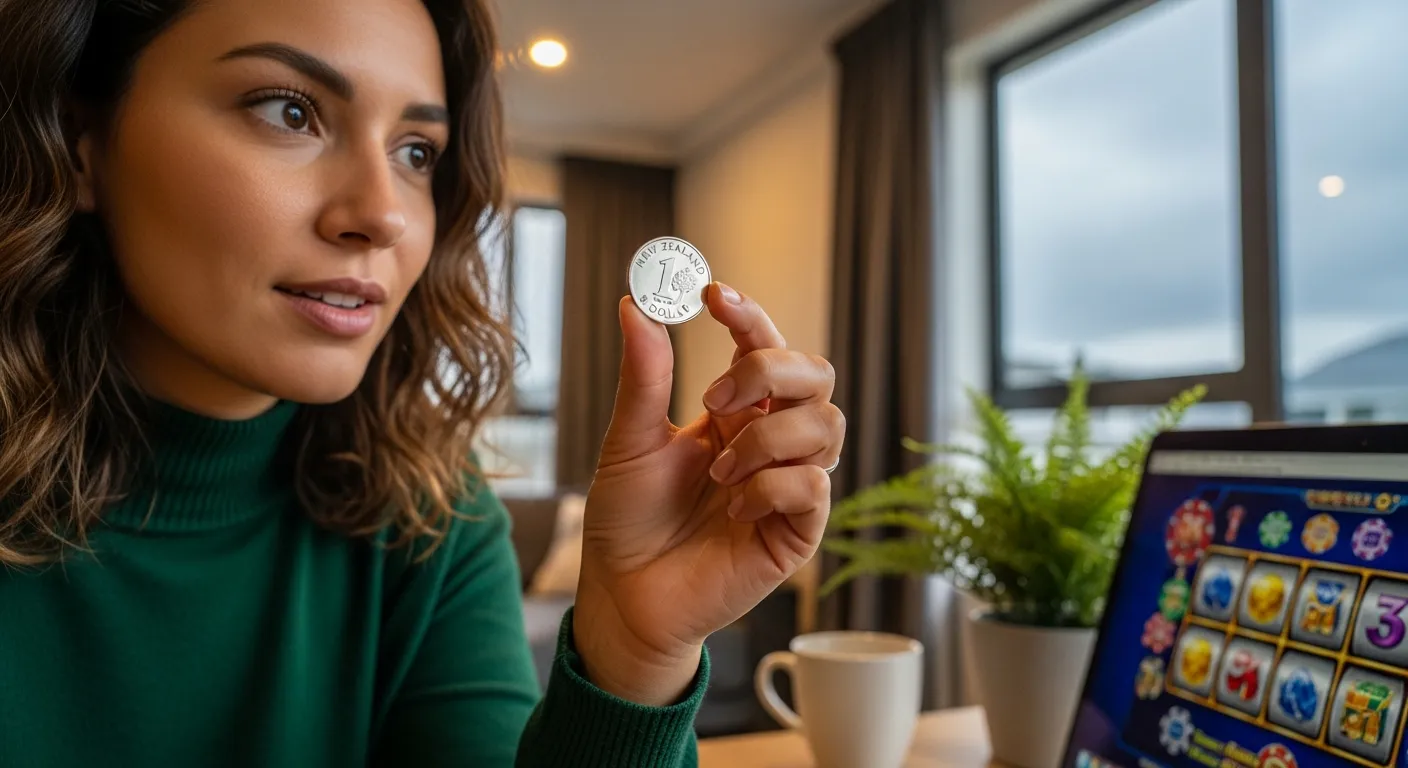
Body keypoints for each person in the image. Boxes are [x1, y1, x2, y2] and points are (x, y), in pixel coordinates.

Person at [0, 0, 847, 765]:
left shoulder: (428, 519)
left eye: (416, 153)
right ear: (79, 143)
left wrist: (634, 663)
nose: (385, 213)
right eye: (290, 110)